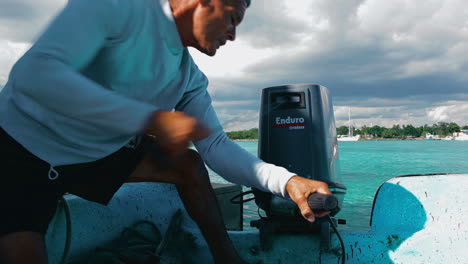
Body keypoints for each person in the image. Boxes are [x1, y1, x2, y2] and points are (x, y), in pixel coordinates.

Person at [0, 0, 332, 263]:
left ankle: (226, 258)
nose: (233, 35)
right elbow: (35, 75)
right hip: (20, 154)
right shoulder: (117, 7)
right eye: (232, 18)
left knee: (187, 164)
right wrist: (151, 119)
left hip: (92, 157)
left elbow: (215, 145)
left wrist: (286, 182)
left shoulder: (188, 78)